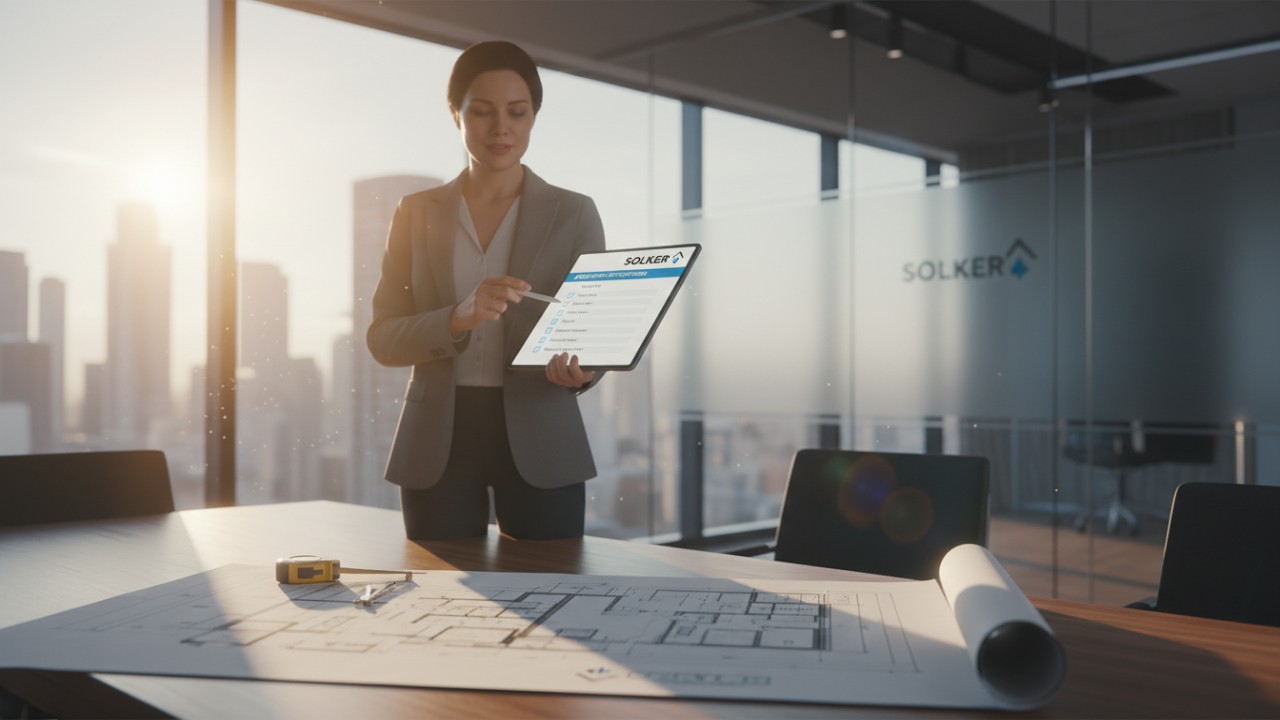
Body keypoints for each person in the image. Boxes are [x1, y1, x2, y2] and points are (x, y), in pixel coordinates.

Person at [367, 41, 604, 540]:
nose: (501, 128)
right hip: (437, 441)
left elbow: (593, 332)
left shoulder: (574, 212)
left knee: (551, 584)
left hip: (543, 435)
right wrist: (458, 317)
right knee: (441, 585)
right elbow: (383, 339)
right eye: (482, 111)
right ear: (456, 114)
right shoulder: (415, 213)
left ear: (533, 117)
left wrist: (585, 370)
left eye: (517, 112)